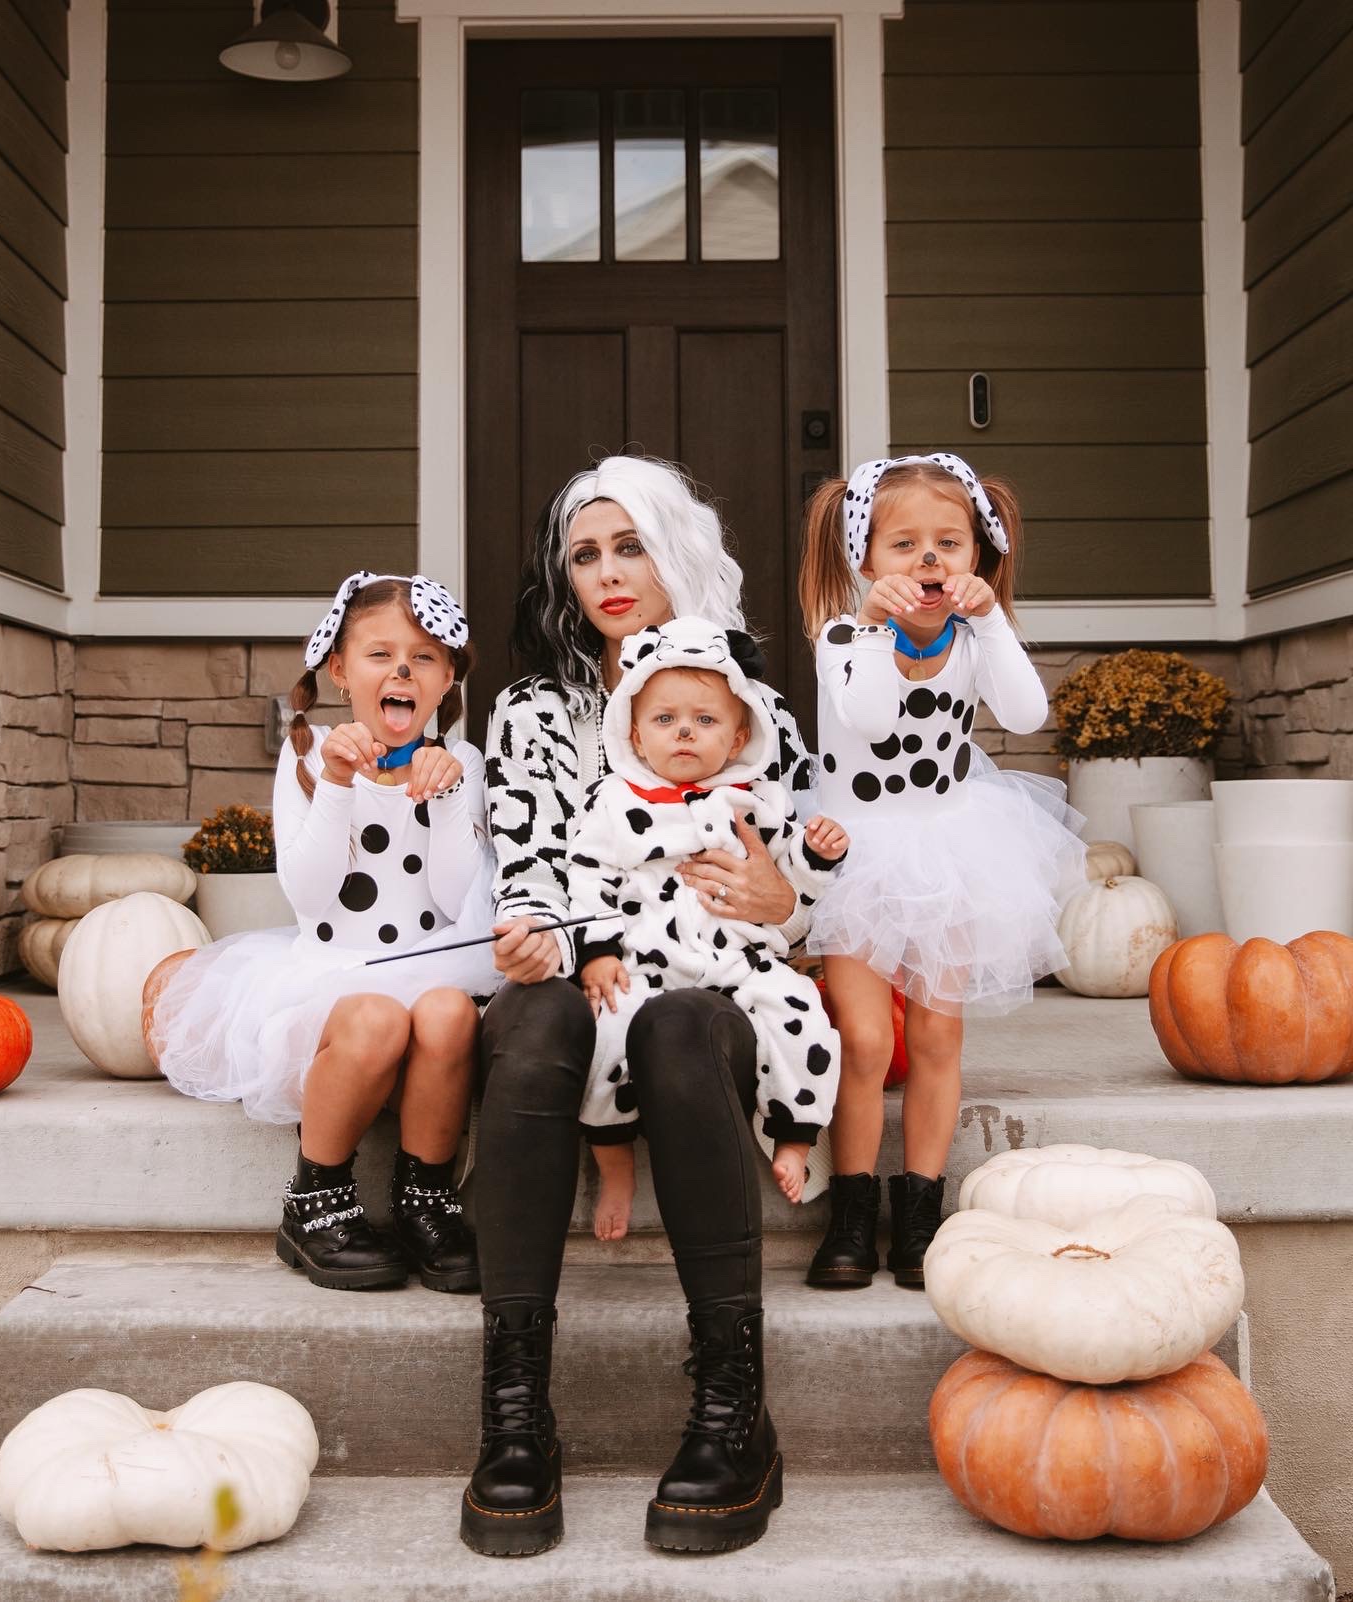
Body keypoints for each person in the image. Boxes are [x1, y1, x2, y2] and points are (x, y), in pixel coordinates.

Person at [462, 455, 816, 1559]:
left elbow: (804, 876)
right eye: (585, 554)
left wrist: (782, 902)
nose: (610, 573)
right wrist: (548, 944)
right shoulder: (528, 713)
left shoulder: (749, 706)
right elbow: (526, 862)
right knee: (534, 1023)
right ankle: (515, 1410)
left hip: (713, 982)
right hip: (580, 978)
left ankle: (731, 1406)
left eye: (632, 546)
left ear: (678, 553)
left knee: (677, 1026)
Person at [151, 573, 498, 1294]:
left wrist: (444, 797)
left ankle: (426, 1199)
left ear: (446, 681)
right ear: (340, 670)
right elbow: (310, 895)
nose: (402, 671)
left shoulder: (459, 765)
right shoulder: (310, 758)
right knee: (374, 1019)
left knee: (449, 1010)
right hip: (335, 975)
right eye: (380, 654)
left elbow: (457, 894)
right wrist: (340, 784)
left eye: (425, 657)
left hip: (429, 964)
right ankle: (316, 1200)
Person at [796, 454, 1085, 1291]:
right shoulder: (844, 639)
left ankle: (921, 1208)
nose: (929, 562)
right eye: (905, 545)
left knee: (936, 1034)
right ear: (866, 562)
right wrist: (884, 631)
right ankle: (851, 1210)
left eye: (949, 544)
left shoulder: (974, 638)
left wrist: (993, 624)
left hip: (953, 846)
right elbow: (873, 715)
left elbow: (1030, 714)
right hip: (858, 853)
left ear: (979, 557)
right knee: (866, 1037)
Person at [568, 616, 848, 1239]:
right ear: (636, 735)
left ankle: (795, 1138)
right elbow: (587, 876)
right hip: (643, 962)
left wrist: (818, 857)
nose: (685, 733)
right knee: (604, 1034)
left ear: (740, 733)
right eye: (665, 720)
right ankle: (614, 1167)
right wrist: (596, 953)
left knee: (801, 1010)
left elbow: (789, 882)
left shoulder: (759, 800)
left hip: (740, 960)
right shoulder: (613, 800)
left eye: (706, 720)